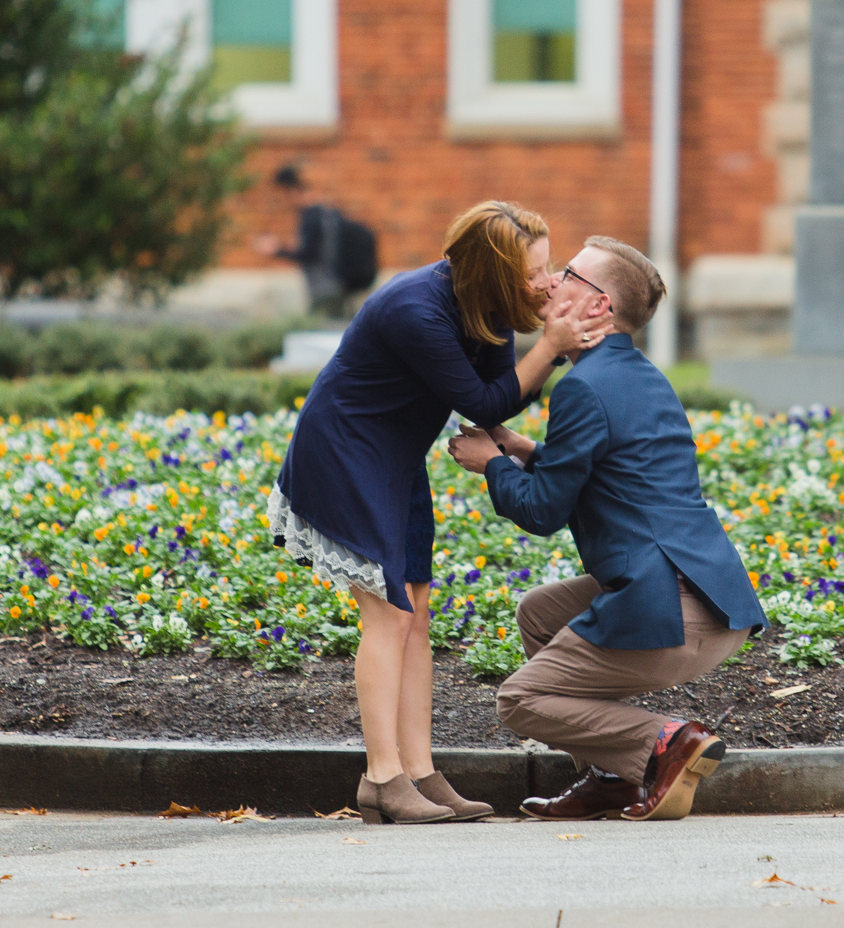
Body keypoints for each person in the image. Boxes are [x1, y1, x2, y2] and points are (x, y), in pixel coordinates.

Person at [268, 201, 613, 825]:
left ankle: (420, 771)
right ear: (495, 275)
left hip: (395, 453)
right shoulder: (415, 310)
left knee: (417, 609)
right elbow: (483, 396)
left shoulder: (487, 311)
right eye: (536, 273)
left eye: (549, 266)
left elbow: (498, 402)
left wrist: (551, 349)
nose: (548, 281)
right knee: (390, 611)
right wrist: (553, 342)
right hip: (345, 448)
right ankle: (381, 778)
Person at [447, 236, 765, 823]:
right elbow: (607, 474)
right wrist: (522, 449)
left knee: (521, 699)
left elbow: (542, 512)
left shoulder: (583, 388)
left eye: (568, 272)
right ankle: (611, 779)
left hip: (673, 608)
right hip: (710, 598)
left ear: (598, 308)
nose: (552, 281)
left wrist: (489, 463)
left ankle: (664, 744)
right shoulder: (637, 375)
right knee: (540, 613)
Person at [254, 164, 378, 317]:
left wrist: (277, 250)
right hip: (335, 287)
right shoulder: (324, 214)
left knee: (323, 330)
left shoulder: (311, 217)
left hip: (326, 289)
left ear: (290, 191)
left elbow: (309, 254)